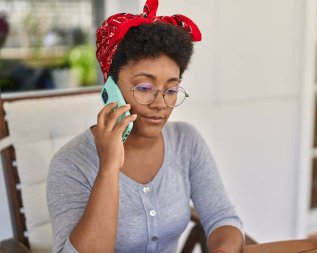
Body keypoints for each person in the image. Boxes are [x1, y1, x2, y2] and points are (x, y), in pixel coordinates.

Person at [47, 0, 245, 252]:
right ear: (111, 89)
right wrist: (108, 168)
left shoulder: (187, 141)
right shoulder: (70, 164)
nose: (161, 104)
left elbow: (222, 218)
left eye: (171, 90)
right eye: (144, 88)